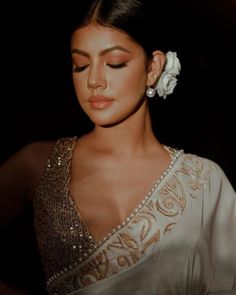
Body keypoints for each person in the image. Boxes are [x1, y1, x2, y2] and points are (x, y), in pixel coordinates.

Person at [1, 0, 236, 294]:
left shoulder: (204, 182)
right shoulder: (39, 163)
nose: (94, 81)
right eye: (80, 65)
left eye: (114, 63)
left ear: (153, 67)